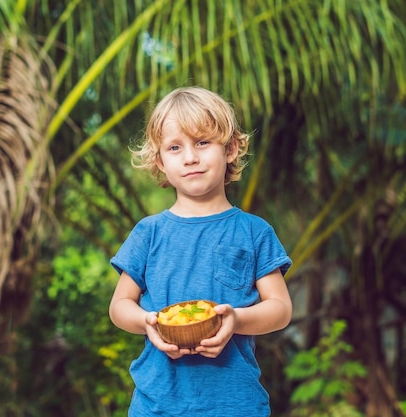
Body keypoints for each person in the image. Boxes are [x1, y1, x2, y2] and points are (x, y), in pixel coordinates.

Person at [109, 86, 293, 416]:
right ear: (160, 162)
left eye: (203, 142)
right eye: (175, 147)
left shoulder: (254, 232)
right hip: (156, 405)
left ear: (231, 148)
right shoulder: (148, 234)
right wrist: (146, 321)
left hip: (236, 406)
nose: (190, 157)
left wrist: (236, 319)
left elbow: (280, 309)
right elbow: (119, 306)